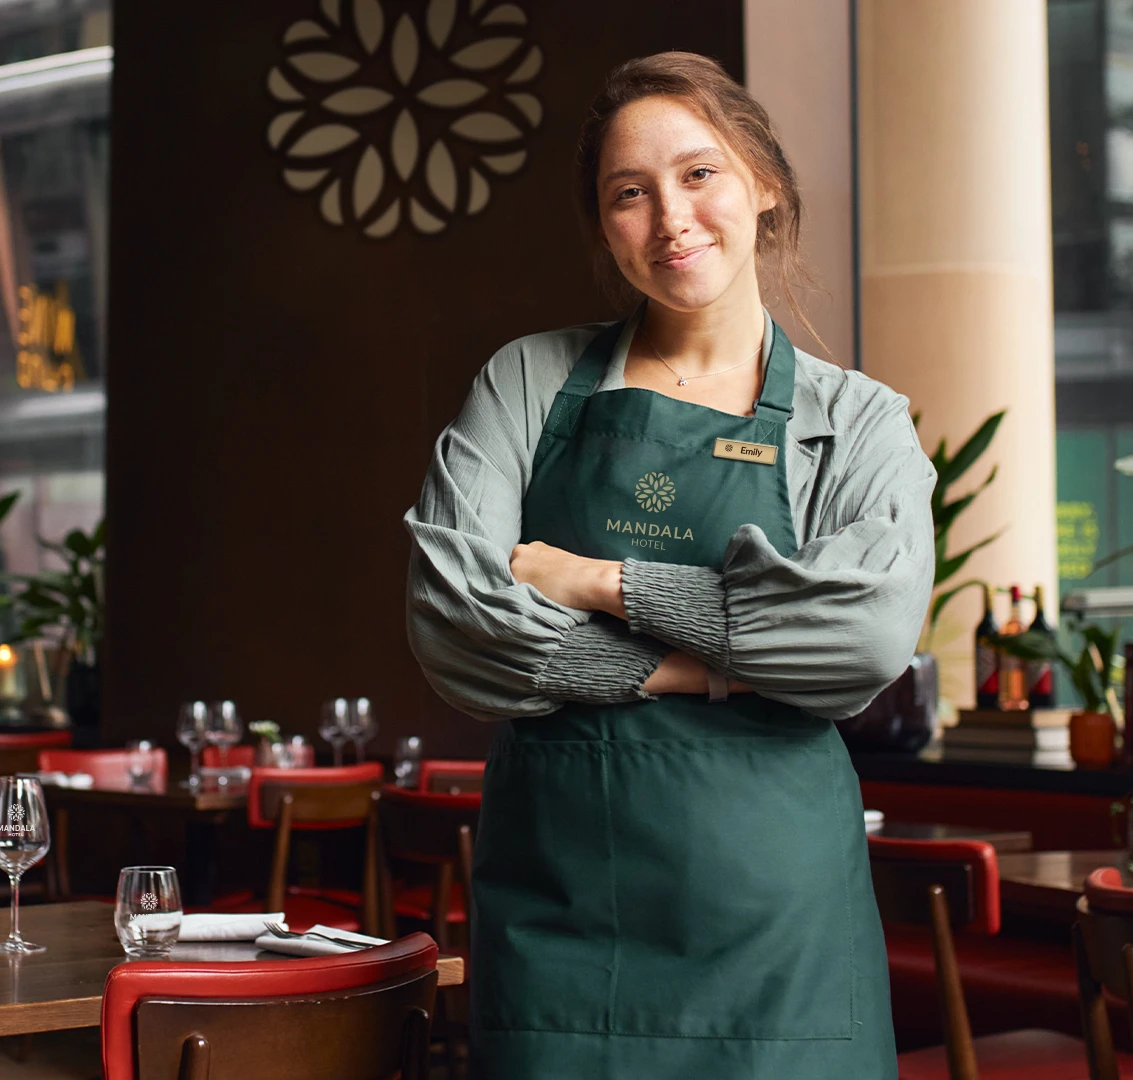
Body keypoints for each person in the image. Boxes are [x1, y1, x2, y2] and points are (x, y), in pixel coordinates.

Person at [405, 52, 934, 1078]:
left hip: (781, 941)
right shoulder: (527, 381)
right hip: (560, 925)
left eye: (700, 175)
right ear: (605, 223)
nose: (670, 218)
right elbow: (455, 621)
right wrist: (703, 668)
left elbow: (860, 642)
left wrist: (596, 581)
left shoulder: (857, 421)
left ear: (764, 186)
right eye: (629, 193)